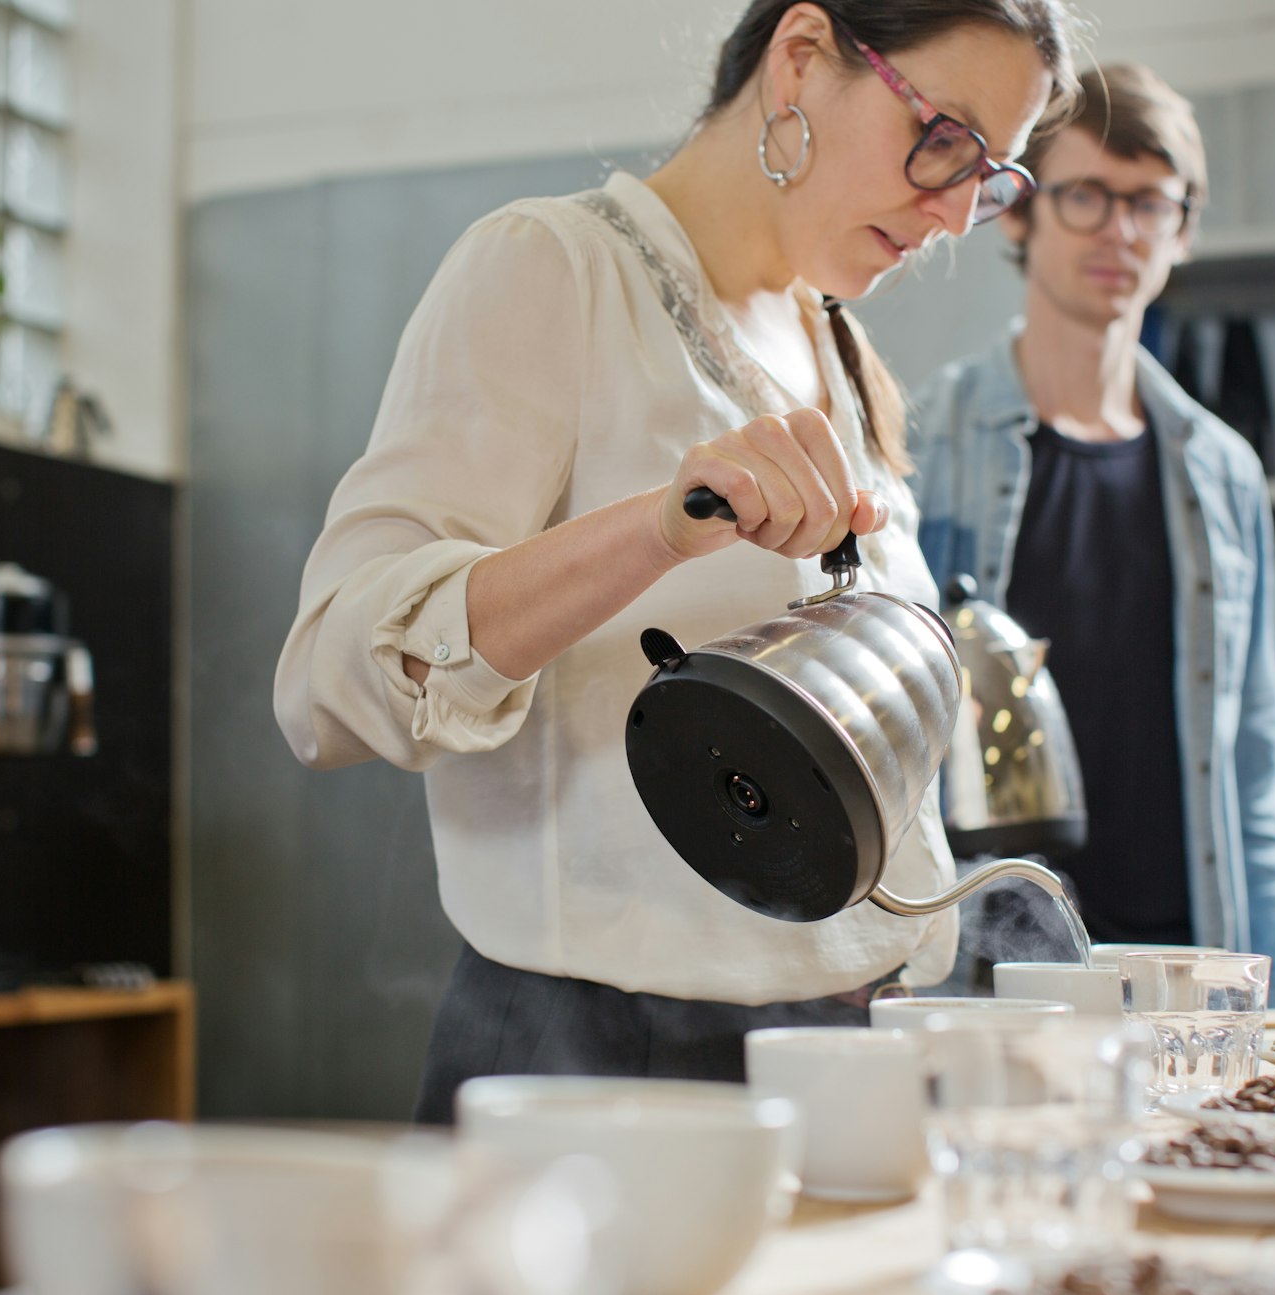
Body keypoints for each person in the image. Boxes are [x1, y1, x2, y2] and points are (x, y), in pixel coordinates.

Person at [274, 1, 1081, 1122]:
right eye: (942, 136)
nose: (953, 214)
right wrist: (660, 525)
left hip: (838, 1048)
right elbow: (325, 690)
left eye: (988, 174)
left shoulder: (836, 346)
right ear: (800, 58)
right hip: (596, 1067)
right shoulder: (551, 270)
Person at [907, 63, 1275, 1007]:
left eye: (1150, 202)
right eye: (1087, 196)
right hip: (991, 970)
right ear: (1017, 212)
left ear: (1182, 229)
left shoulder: (1224, 475)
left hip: (1188, 967)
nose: (1120, 230)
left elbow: (1255, 781)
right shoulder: (926, 441)